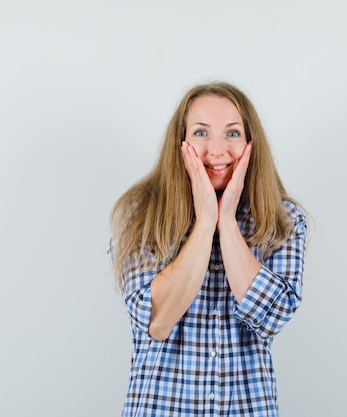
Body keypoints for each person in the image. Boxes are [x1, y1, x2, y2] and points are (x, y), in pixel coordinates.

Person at [108, 81, 307, 417]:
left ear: (250, 144)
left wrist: (227, 222)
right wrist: (204, 223)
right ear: (181, 142)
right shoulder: (141, 213)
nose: (216, 150)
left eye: (232, 133)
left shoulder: (282, 219)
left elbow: (271, 317)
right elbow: (157, 320)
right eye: (201, 133)